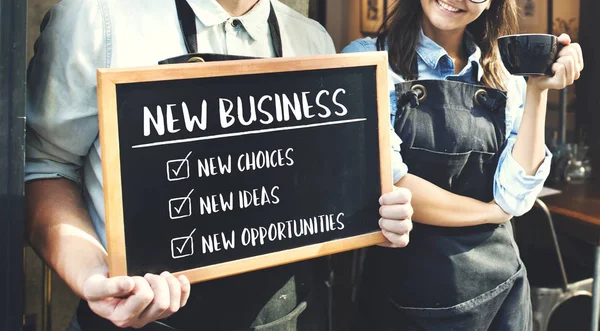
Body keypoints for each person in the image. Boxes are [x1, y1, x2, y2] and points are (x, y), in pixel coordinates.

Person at [24, 0, 414, 330]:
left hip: (289, 313)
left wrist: (374, 209)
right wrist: (92, 274)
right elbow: (46, 168)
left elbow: (325, 183)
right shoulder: (98, 17)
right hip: (148, 315)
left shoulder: (312, 37)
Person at [343, 0, 584, 330]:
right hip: (406, 295)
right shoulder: (367, 58)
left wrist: (538, 90)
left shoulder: (506, 73)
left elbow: (515, 195)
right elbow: (389, 179)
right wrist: (489, 213)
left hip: (501, 294)